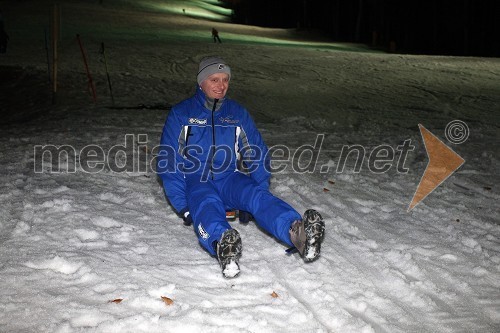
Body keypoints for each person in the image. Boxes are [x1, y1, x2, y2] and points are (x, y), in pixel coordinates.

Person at [157, 56, 325, 278]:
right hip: (196, 179)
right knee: (206, 204)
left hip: (228, 177)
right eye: (214, 79)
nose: (221, 85)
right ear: (201, 82)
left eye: (225, 79)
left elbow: (256, 152)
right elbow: (169, 161)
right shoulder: (182, 113)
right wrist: (182, 205)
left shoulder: (236, 114)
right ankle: (223, 245)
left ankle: (297, 233)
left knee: (256, 195)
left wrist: (259, 187)